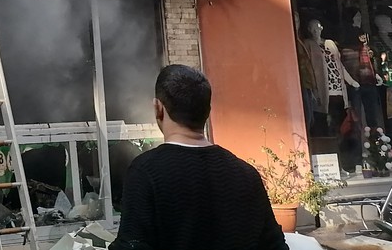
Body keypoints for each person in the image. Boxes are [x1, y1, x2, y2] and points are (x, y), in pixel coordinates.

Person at [109, 64, 286, 250]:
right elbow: (275, 245)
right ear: (208, 111)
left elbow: (132, 245)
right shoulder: (247, 175)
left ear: (158, 108)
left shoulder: (145, 173)